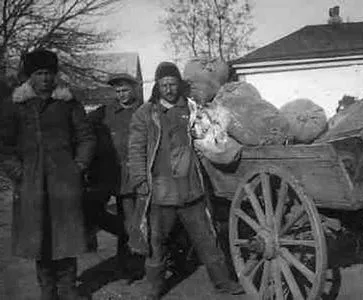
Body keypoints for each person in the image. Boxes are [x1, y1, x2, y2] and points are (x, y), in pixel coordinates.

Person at [127, 61, 244, 300]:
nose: (169, 89)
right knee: (155, 242)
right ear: (157, 86)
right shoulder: (146, 113)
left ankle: (223, 283)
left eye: (172, 84)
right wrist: (140, 178)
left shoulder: (191, 109)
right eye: (164, 85)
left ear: (178, 85)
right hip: (160, 191)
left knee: (207, 239)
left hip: (191, 189)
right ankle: (154, 288)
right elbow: (136, 148)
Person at [0, 49, 96, 299]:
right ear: (30, 76)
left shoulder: (68, 103)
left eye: (48, 73)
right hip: (32, 184)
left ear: (55, 75)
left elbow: (86, 137)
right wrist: (20, 174)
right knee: (38, 239)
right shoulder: (15, 106)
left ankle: (68, 288)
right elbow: (5, 147)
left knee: (67, 237)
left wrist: (78, 166)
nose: (44, 78)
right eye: (39, 73)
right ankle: (47, 290)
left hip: (65, 183)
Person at [85, 73, 142, 274]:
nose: (121, 94)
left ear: (134, 89)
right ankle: (126, 257)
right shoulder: (106, 112)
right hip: (110, 173)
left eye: (125, 90)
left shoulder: (143, 111)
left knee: (132, 217)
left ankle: (130, 262)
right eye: (117, 91)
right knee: (95, 212)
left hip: (134, 175)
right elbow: (84, 127)